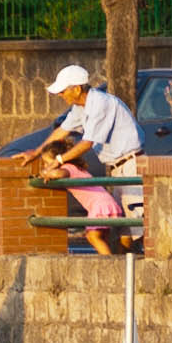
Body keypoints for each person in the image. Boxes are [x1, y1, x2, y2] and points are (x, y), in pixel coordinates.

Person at [29, 63, 144, 257]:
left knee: (134, 227)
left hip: (130, 164)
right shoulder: (80, 108)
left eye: (63, 91)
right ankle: (121, 267)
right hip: (117, 167)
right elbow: (62, 131)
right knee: (123, 229)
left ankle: (129, 267)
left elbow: (87, 143)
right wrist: (35, 153)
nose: (61, 95)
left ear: (77, 89)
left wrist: (58, 160)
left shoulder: (100, 103)